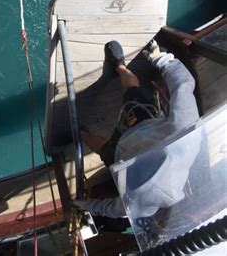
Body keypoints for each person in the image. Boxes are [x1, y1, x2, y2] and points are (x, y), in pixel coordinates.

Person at [75, 40, 201, 220]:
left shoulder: (139, 205)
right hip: (142, 126)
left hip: (120, 152)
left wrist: (84, 205)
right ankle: (120, 67)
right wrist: (161, 59)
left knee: (104, 149)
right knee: (132, 91)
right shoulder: (184, 135)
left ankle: (79, 133)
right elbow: (182, 85)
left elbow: (113, 209)